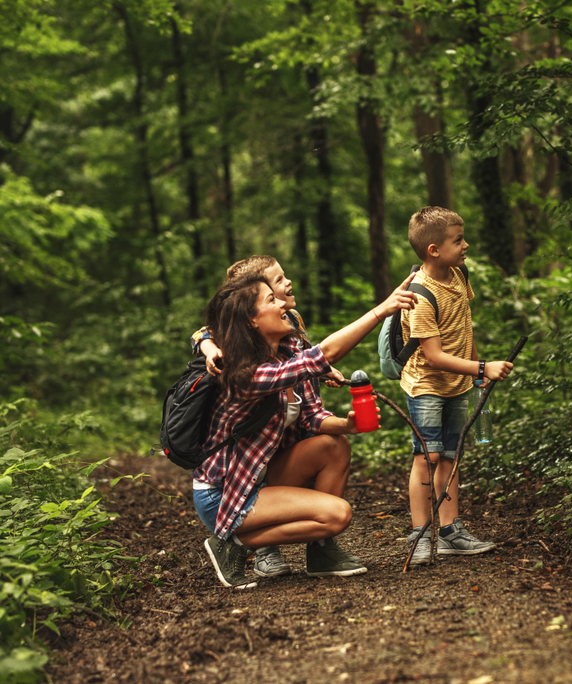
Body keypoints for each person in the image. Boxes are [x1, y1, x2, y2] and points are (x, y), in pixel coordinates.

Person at [193, 272, 418, 588]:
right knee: (337, 516)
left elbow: (312, 417)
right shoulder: (247, 373)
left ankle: (321, 553)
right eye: (271, 300)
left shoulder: (284, 351)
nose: (281, 303)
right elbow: (327, 354)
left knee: (333, 445)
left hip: (258, 476)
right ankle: (233, 543)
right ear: (252, 322)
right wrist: (381, 310)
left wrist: (347, 426)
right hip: (226, 493)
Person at [190, 255, 343, 578]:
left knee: (333, 444)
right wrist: (206, 345)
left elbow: (309, 367)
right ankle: (251, 545)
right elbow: (204, 330)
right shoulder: (239, 355)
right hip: (234, 476)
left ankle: (321, 547)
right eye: (276, 284)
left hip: (274, 453)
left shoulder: (290, 327)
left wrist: (321, 370)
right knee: (326, 509)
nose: (287, 284)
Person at [399, 206, 514, 565]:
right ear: (433, 249)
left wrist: (476, 368)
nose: (466, 245)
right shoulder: (419, 295)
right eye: (458, 240)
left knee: (451, 454)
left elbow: (464, 327)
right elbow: (432, 356)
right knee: (427, 456)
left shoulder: (459, 275)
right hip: (426, 385)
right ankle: (419, 535)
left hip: (458, 384)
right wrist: (482, 366)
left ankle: (449, 530)